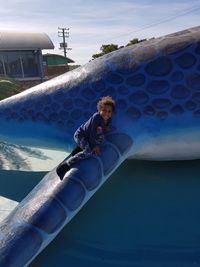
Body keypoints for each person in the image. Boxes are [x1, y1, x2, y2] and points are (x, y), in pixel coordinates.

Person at [56, 96, 116, 180]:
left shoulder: (108, 120)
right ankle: (65, 165)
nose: (106, 113)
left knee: (100, 139)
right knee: (89, 152)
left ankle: (78, 149)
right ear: (99, 110)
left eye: (109, 111)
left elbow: (101, 130)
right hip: (81, 136)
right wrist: (94, 146)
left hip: (88, 137)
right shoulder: (96, 117)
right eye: (104, 110)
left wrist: (106, 128)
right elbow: (92, 133)